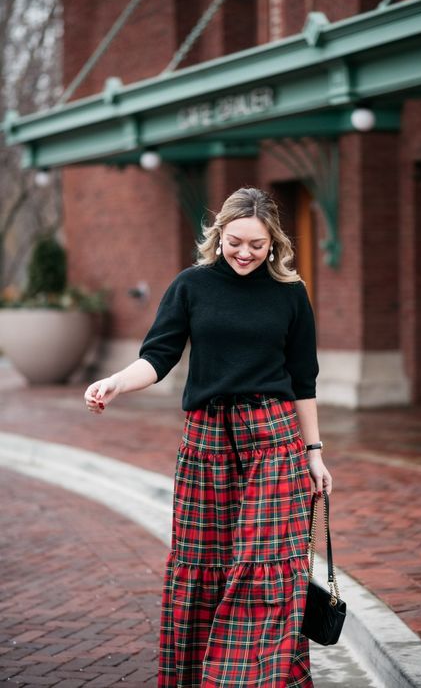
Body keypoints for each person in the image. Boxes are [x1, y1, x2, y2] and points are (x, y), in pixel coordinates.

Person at [84, 187, 332, 688]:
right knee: (204, 560)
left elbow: (303, 379)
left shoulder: (290, 293)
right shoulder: (191, 286)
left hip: (274, 435)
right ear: (219, 236)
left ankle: (247, 679)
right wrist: (114, 383)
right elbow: (157, 358)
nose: (245, 253)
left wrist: (314, 452)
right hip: (207, 438)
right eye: (235, 241)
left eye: (257, 246)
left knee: (266, 560)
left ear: (273, 245)